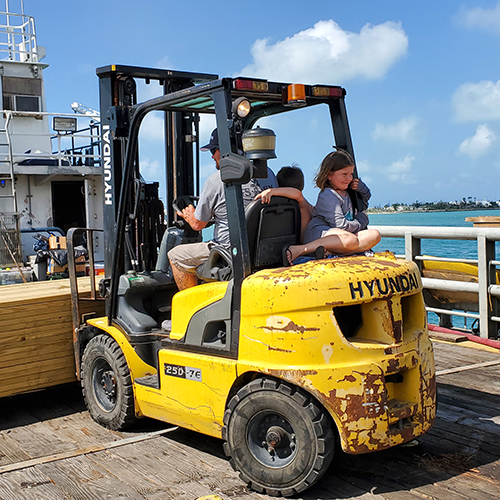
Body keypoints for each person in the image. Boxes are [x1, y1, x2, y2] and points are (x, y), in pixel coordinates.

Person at [167, 129, 270, 290]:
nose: (212, 156)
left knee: (175, 256)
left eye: (214, 150)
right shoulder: (268, 174)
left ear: (222, 149)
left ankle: (191, 308)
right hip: (262, 247)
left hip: (229, 249)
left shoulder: (218, 179)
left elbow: (197, 225)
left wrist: (189, 215)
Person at [284, 150, 380, 264]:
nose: (349, 178)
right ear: (329, 175)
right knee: (350, 239)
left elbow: (365, 199)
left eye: (351, 174)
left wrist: (361, 188)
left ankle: (336, 251)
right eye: (344, 174)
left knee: (375, 235)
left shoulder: (347, 191)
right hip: (321, 233)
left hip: (342, 234)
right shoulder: (328, 195)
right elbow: (341, 225)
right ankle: (301, 250)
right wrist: (361, 221)